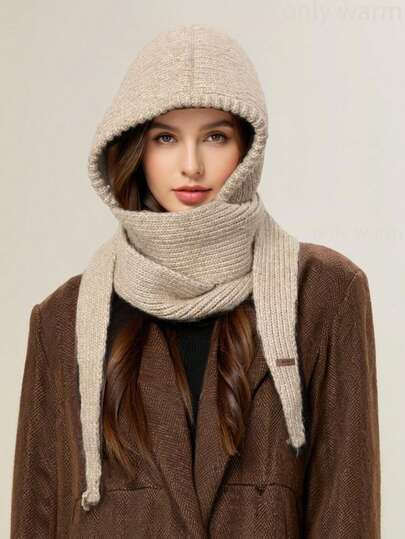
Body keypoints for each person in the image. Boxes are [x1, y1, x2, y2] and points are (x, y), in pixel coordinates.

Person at [10, 24, 381, 538]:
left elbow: (346, 511)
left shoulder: (324, 295)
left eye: (215, 136)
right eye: (166, 138)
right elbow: (38, 516)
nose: (191, 165)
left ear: (247, 148)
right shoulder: (62, 321)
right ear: (136, 149)